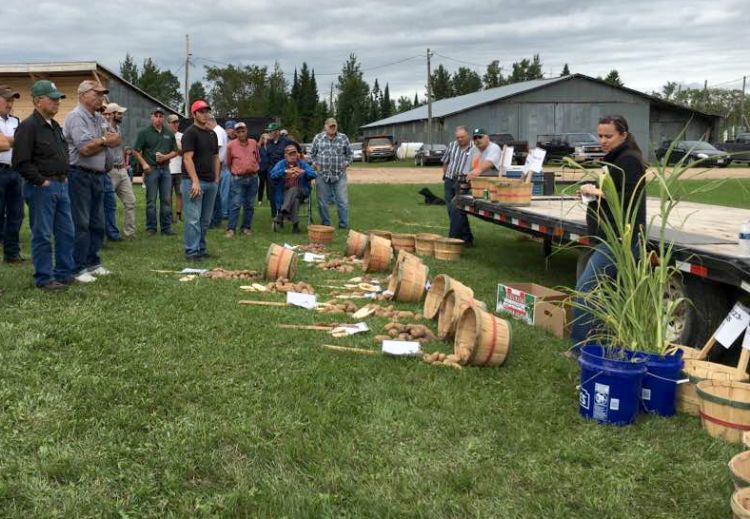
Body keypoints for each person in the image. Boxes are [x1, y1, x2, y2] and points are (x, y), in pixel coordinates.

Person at [571, 114, 647, 345]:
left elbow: (631, 197)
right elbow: (611, 187)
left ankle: (581, 348)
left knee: (586, 291)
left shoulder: (629, 160)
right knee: (604, 293)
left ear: (623, 135)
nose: (603, 140)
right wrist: (591, 189)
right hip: (608, 236)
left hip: (619, 239)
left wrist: (599, 193)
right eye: (600, 135)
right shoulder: (614, 158)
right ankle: (602, 341)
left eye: (608, 136)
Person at [13, 80, 76, 289]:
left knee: (66, 231)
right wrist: (42, 181)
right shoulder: (28, 127)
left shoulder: (55, 126)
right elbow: (20, 162)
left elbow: (63, 152)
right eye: (53, 99)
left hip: (61, 185)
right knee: (42, 234)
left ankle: (65, 273)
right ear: (38, 101)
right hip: (42, 188)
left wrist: (63, 174)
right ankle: (44, 278)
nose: (57, 102)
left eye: (58, 98)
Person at [63, 80, 121, 282]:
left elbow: (117, 139)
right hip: (79, 174)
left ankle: (92, 262)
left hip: (97, 174)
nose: (101, 98)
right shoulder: (76, 117)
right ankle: (77, 267)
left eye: (102, 94)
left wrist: (103, 141)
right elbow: (85, 148)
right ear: (83, 95)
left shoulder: (98, 118)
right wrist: (104, 141)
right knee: (81, 222)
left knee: (98, 221)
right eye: (96, 94)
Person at [181, 100, 219, 261]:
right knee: (193, 219)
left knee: (205, 220)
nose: (205, 114)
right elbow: (187, 159)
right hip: (193, 182)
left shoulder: (212, 134)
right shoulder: (190, 133)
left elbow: (216, 158)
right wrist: (195, 181)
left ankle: (201, 249)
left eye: (206, 111)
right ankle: (191, 251)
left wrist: (217, 178)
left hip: (210, 182)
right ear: (193, 114)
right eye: (201, 111)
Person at [133, 107, 178, 235]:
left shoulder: (169, 133)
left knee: (166, 200)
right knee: (151, 200)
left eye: (161, 116)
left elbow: (175, 151)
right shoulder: (144, 133)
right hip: (151, 169)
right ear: (151, 117)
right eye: (156, 115)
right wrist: (144, 164)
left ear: (163, 118)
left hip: (165, 169)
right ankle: (151, 228)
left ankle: (166, 227)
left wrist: (165, 157)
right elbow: (135, 151)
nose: (158, 118)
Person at [310, 117, 352, 229]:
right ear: (325, 126)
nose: (332, 128)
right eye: (330, 126)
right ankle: (326, 224)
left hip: (339, 175)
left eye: (334, 126)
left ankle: (343, 225)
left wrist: (346, 164)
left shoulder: (343, 138)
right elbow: (312, 154)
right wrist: (315, 164)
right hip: (322, 174)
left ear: (336, 126)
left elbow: (350, 154)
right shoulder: (318, 138)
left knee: (342, 201)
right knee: (322, 202)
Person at [102, 102, 136, 240]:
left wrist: (124, 164)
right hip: (109, 171)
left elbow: (118, 148)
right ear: (111, 114)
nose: (122, 115)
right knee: (108, 205)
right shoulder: (104, 128)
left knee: (131, 201)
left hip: (121, 170)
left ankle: (130, 233)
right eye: (119, 113)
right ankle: (109, 233)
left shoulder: (118, 128)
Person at [441, 125, 477, 246]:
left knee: (457, 210)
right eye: (458, 137)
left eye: (462, 137)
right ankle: (467, 238)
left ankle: (455, 239)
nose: (460, 139)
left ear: (468, 136)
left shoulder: (474, 149)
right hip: (449, 180)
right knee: (452, 211)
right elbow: (445, 161)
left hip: (462, 183)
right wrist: (446, 176)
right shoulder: (452, 145)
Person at [0, 85, 24, 263]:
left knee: (16, 214)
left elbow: (24, 143)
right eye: (7, 99)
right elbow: (3, 145)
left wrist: (9, 140)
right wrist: (14, 141)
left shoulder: (16, 121)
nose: (10, 104)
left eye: (12, 100)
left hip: (15, 172)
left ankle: (12, 253)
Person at [270, 142, 316, 233]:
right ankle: (295, 227)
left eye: (294, 154)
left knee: (294, 189)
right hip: (284, 192)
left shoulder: (302, 164)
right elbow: (272, 175)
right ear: (285, 155)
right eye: (290, 154)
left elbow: (313, 174)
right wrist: (285, 171)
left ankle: (282, 213)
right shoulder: (281, 164)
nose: (293, 156)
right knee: (294, 199)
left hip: (302, 190)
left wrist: (304, 172)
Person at [225, 122, 260, 237]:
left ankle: (246, 227)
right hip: (238, 179)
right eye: (238, 132)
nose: (241, 134)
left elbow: (257, 158)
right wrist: (236, 172)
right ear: (235, 133)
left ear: (246, 131)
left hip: (253, 177)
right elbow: (228, 162)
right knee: (235, 204)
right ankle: (231, 229)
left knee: (249, 205)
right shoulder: (230, 145)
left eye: (243, 131)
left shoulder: (254, 143)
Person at [264, 122, 292, 216]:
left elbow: (296, 151)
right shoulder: (268, 142)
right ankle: (275, 216)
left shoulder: (286, 141)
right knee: (272, 195)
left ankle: (285, 213)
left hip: (284, 171)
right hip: (271, 172)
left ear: (276, 132)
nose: (268, 134)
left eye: (270, 131)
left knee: (285, 193)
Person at [207, 115, 229, 226]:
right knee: (217, 193)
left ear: (210, 122)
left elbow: (217, 147)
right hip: (219, 164)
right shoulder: (220, 130)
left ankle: (215, 219)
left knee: (215, 193)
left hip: (217, 164)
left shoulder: (217, 131)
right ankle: (217, 218)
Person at [167, 114, 183, 222]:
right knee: (167, 195)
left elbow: (183, 151)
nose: (176, 124)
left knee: (180, 193)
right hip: (167, 169)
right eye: (173, 123)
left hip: (179, 169)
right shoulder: (164, 135)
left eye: (177, 122)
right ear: (168, 124)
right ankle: (168, 216)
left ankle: (178, 215)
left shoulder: (182, 136)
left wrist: (177, 149)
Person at [257, 132, 269, 206]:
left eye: (267, 138)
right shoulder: (259, 147)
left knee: (269, 184)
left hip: (269, 167)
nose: (266, 140)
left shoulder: (270, 147)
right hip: (261, 168)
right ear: (262, 139)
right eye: (264, 138)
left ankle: (269, 199)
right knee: (261, 184)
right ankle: (260, 200)